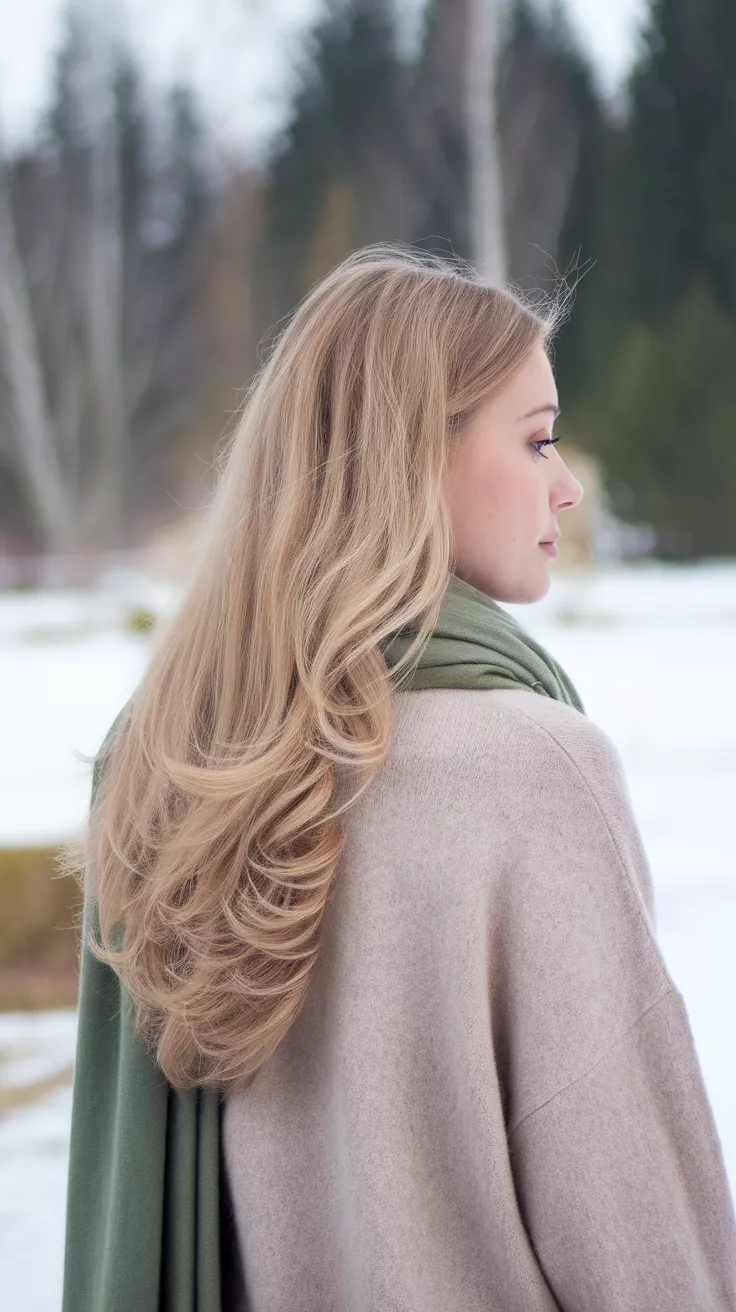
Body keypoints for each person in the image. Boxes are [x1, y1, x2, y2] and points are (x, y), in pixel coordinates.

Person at [61, 245, 736, 1312]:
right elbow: (643, 1244)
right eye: (536, 438)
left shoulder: (165, 768)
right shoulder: (528, 767)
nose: (564, 483)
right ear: (412, 455)